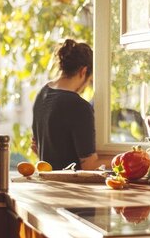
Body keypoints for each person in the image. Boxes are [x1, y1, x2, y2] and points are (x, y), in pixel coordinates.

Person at [31, 39, 102, 170]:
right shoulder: (79, 106)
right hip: (72, 186)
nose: (87, 86)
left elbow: (35, 147)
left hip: (47, 184)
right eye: (89, 80)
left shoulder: (42, 94)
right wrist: (120, 158)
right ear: (83, 71)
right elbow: (89, 166)